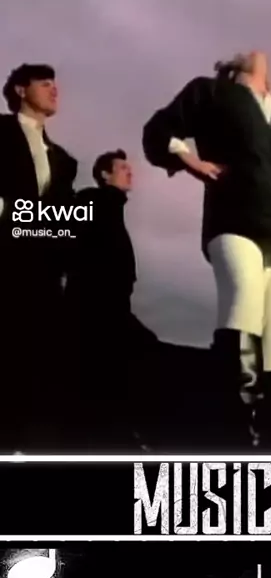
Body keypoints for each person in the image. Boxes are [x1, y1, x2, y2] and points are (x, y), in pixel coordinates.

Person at [142, 51, 271, 447]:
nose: (260, 52)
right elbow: (159, 129)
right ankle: (230, 431)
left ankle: (256, 433)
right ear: (232, 69)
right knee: (244, 297)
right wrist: (187, 159)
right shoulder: (211, 92)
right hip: (235, 217)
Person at [0, 63, 77, 449]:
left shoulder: (64, 160)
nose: (54, 89)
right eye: (44, 83)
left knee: (36, 365)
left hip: (42, 274)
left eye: (55, 84)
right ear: (20, 90)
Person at [65, 149, 157, 442]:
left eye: (130, 168)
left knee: (128, 360)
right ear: (105, 174)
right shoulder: (93, 201)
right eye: (122, 167)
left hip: (112, 307)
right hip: (93, 308)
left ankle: (116, 431)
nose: (130, 172)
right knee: (109, 367)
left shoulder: (112, 209)